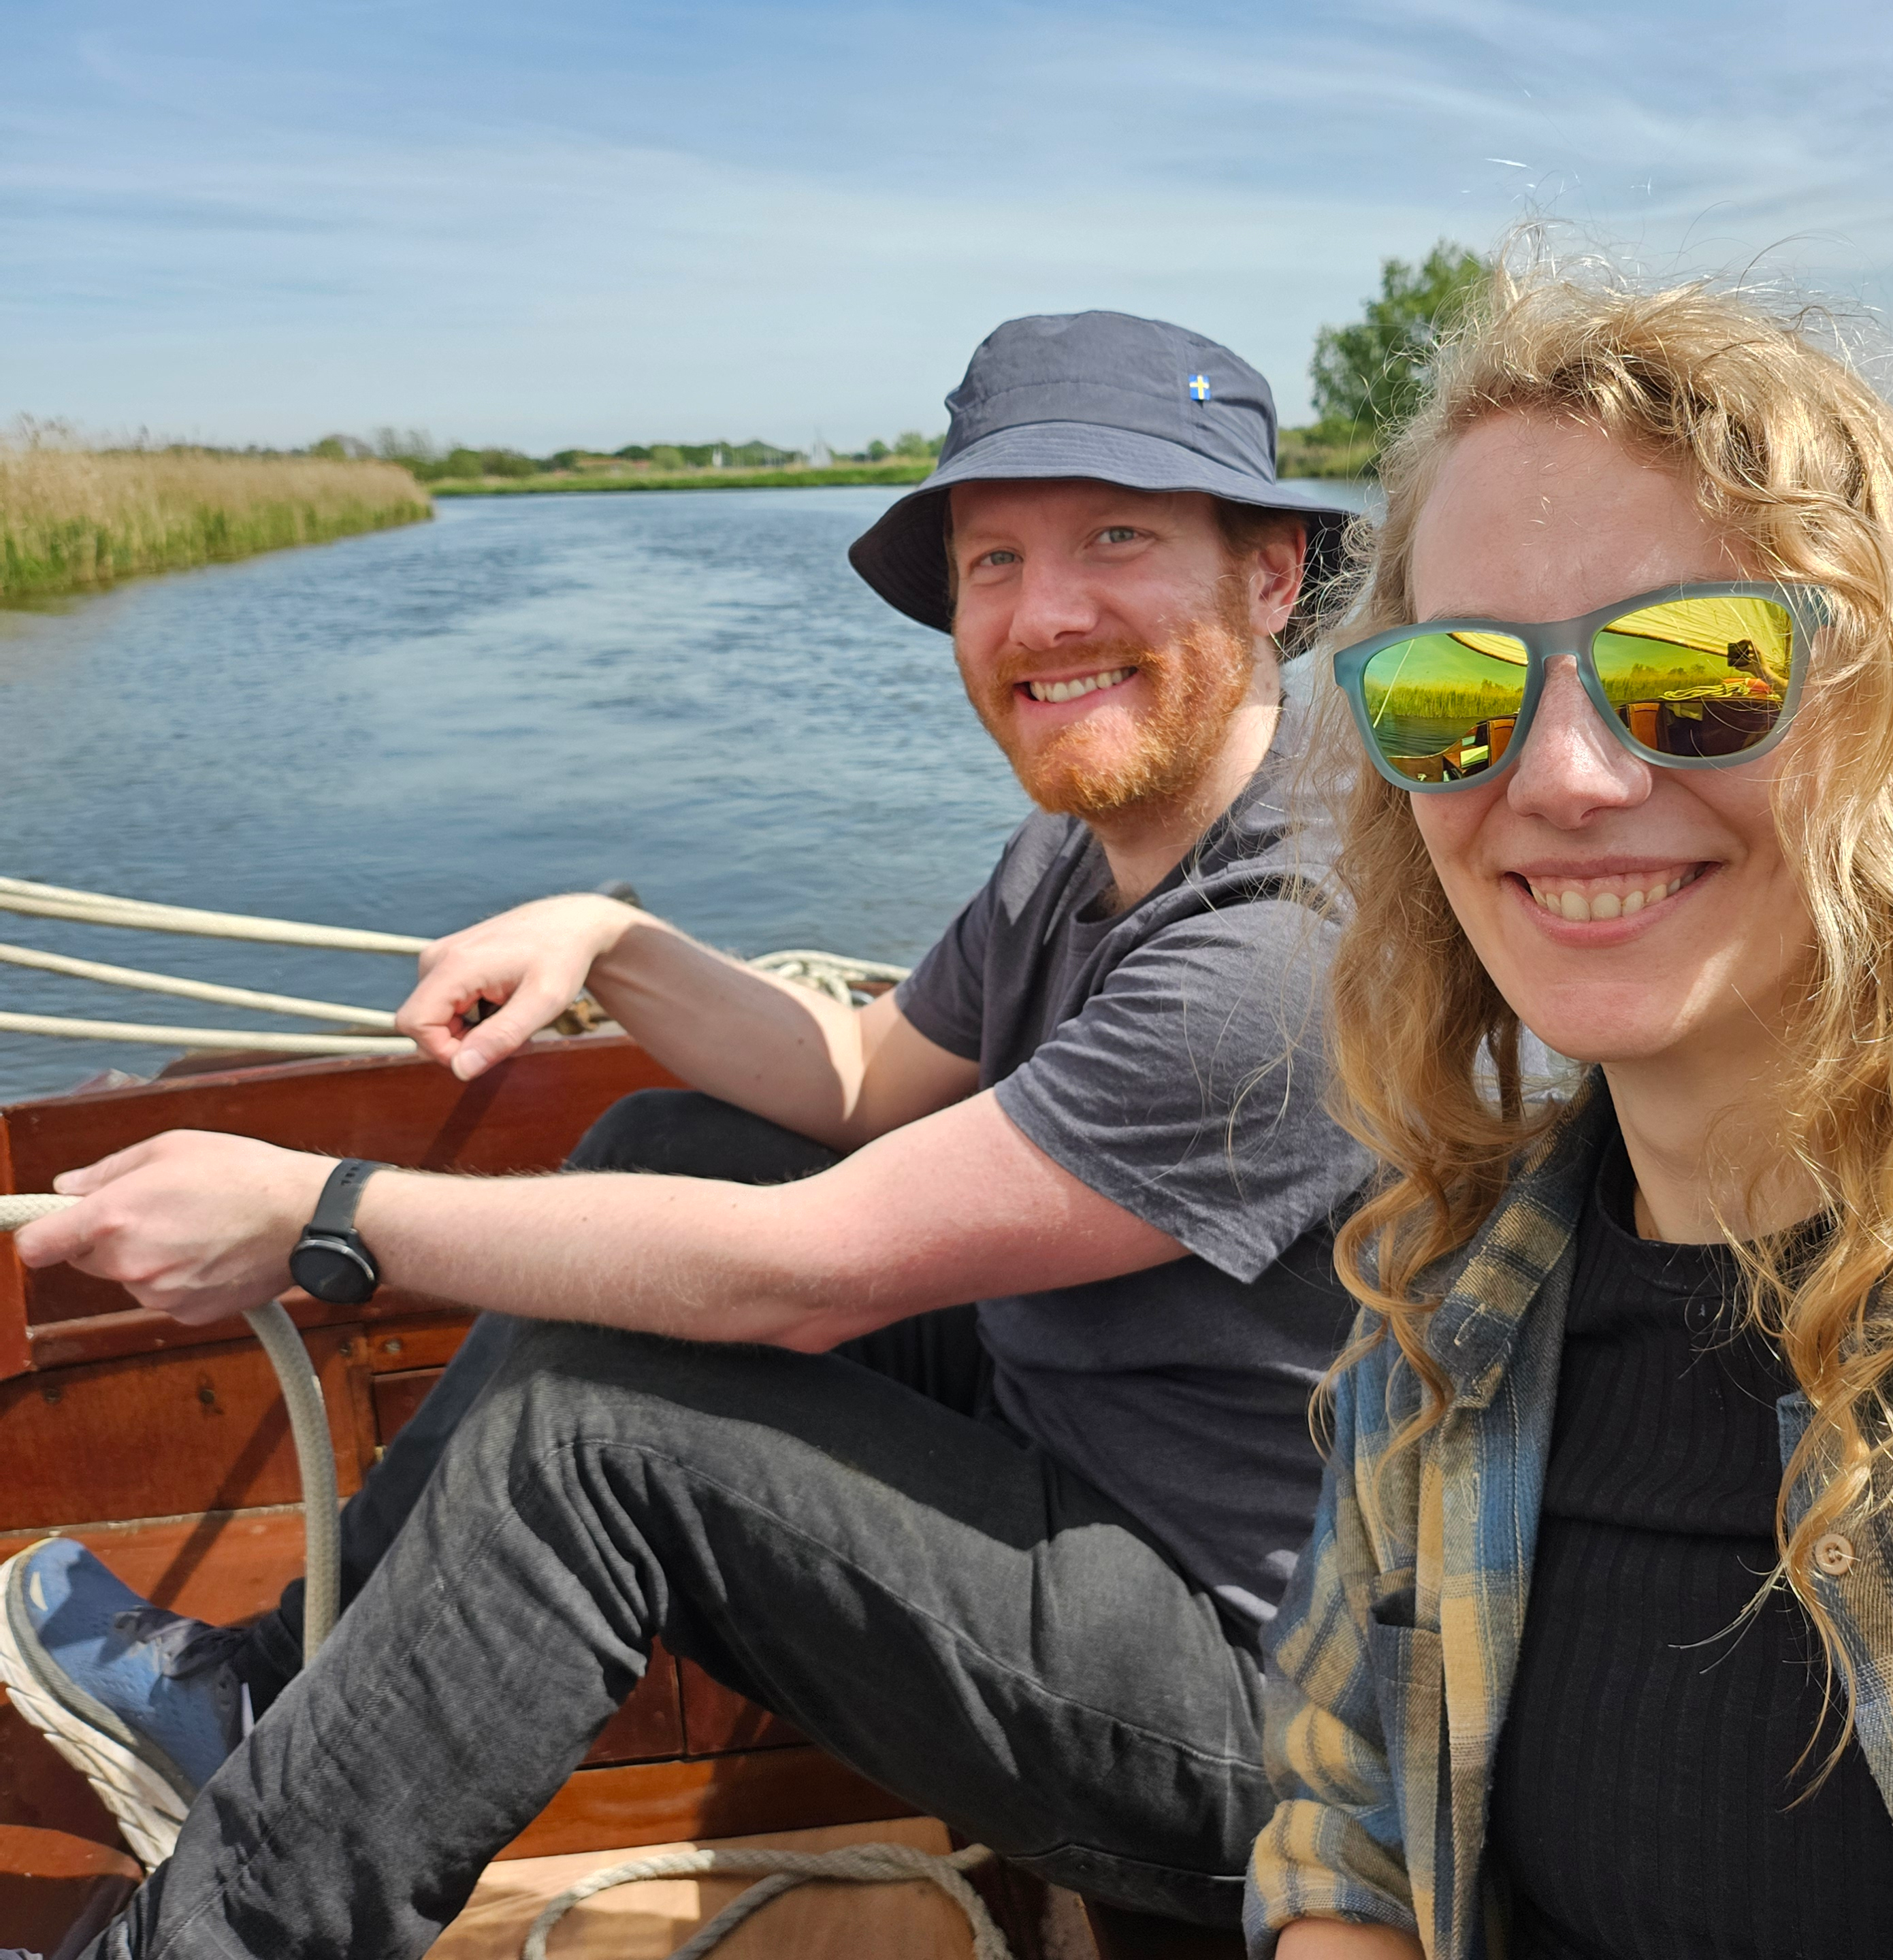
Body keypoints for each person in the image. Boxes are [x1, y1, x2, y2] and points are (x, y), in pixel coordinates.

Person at [1, 310, 1371, 1955]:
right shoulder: (1100, 832)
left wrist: (324, 1204)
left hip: (1262, 1711)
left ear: (1274, 572)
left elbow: (807, 1277)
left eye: (1118, 537)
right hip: (1081, 1444)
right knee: (675, 1138)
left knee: (602, 1433)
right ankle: (279, 1689)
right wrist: (615, 936)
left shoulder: (1286, 941)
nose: (1041, 610)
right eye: (992, 558)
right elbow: (861, 1079)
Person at [1248, 265, 1893, 1960]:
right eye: (1453, 691)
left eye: (1694, 667)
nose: (1561, 778)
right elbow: (1337, 1823)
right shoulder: (1441, 1310)